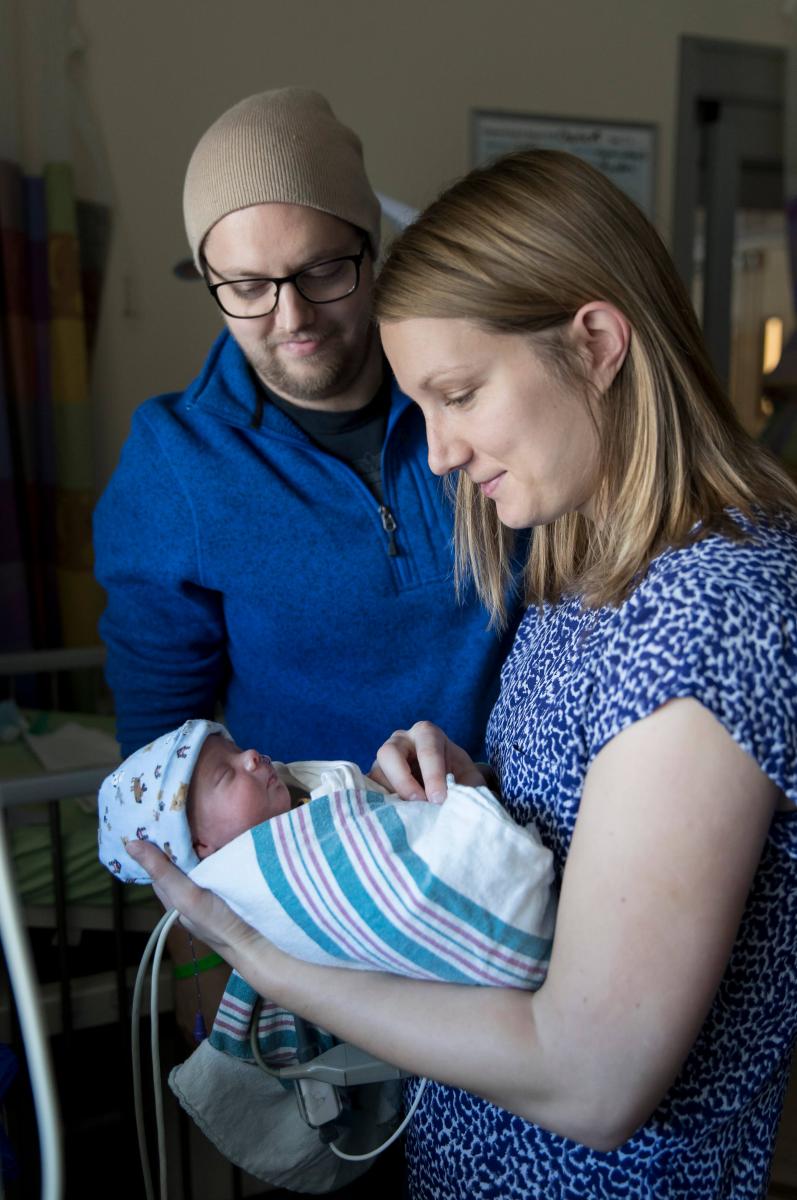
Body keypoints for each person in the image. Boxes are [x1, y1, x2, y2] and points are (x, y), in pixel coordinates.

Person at [127, 148, 797, 1200]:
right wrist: (482, 796)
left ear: (594, 344)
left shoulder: (708, 614)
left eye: (458, 395)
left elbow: (590, 1080)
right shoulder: (586, 570)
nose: (436, 454)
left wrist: (264, 961)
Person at [92, 86, 514, 769]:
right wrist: (181, 876)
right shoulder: (173, 463)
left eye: (321, 271)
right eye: (249, 287)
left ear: (371, 251)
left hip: (516, 838)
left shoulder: (478, 392)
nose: (292, 319)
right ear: (208, 280)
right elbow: (160, 752)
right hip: (309, 858)